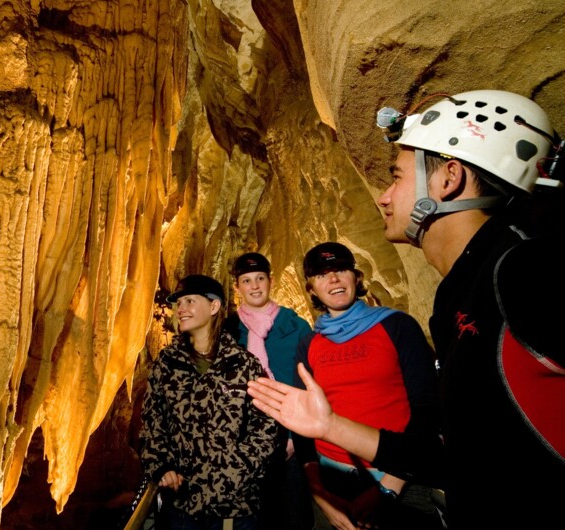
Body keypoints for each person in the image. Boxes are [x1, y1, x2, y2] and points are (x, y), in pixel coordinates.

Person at [247, 90, 565, 529]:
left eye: (396, 177)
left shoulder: (527, 271)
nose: (383, 196)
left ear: (448, 178)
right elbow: (458, 458)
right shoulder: (461, 291)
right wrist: (329, 427)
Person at [290, 242, 441, 530]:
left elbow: (427, 411)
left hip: (398, 478)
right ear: (311, 289)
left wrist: (387, 489)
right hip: (331, 482)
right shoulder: (309, 344)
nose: (333, 279)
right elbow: (303, 424)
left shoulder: (397, 327)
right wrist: (321, 496)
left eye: (340, 269)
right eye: (321, 275)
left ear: (356, 278)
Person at [139, 274, 278, 530]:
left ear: (214, 307)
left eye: (190, 301)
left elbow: (265, 429)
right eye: (178, 303)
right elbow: (152, 423)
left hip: (233, 509)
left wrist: (232, 477)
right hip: (181, 507)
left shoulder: (244, 365)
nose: (181, 309)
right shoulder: (167, 364)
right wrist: (162, 466)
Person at [223, 252, 314, 530]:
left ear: (270, 281)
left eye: (260, 278)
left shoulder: (296, 326)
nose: (254, 286)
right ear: (237, 287)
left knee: (294, 517)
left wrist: (294, 438)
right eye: (246, 280)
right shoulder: (228, 331)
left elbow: (311, 384)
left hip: (291, 440)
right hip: (245, 443)